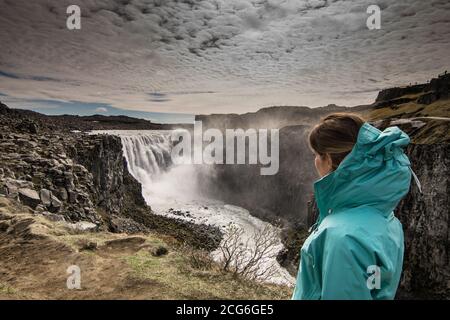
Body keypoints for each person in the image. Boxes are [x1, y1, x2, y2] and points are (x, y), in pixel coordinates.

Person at [292, 113, 415, 300]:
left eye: (317, 154)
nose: (315, 161)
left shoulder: (341, 236)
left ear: (330, 159)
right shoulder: (388, 220)